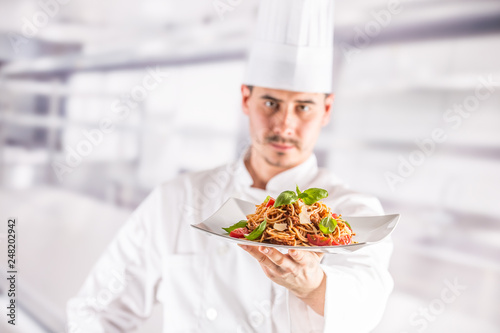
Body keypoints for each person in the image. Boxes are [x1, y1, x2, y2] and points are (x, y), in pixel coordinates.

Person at [67, 0, 394, 332]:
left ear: (326, 110)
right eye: (271, 102)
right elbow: (97, 309)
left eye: (304, 107)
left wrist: (314, 286)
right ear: (245, 99)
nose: (284, 124)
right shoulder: (177, 199)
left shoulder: (350, 213)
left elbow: (367, 302)